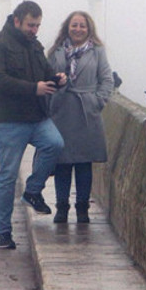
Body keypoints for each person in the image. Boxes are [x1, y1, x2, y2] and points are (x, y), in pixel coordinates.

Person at [0, 0, 66, 249]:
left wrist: (56, 78)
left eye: (38, 25)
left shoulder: (35, 45)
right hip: (8, 120)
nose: (34, 30)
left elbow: (45, 71)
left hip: (37, 117)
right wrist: (34, 88)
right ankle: (3, 233)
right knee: (7, 176)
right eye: (31, 25)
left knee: (55, 144)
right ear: (17, 20)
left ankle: (32, 191)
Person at [46, 11, 114, 224]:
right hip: (62, 110)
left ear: (89, 29)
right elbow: (45, 78)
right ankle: (62, 208)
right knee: (62, 163)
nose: (78, 29)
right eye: (74, 25)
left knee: (84, 163)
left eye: (82, 26)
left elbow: (106, 79)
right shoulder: (55, 52)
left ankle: (82, 208)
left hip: (86, 112)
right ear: (67, 27)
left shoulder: (98, 52)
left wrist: (97, 102)